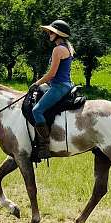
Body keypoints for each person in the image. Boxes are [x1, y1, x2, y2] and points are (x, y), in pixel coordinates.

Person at [30, 19, 75, 159]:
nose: (48, 33)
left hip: (59, 86)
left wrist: (37, 83)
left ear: (58, 34)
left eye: (51, 32)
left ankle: (44, 146)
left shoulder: (58, 49)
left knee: (36, 110)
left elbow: (52, 74)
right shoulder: (65, 48)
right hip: (63, 84)